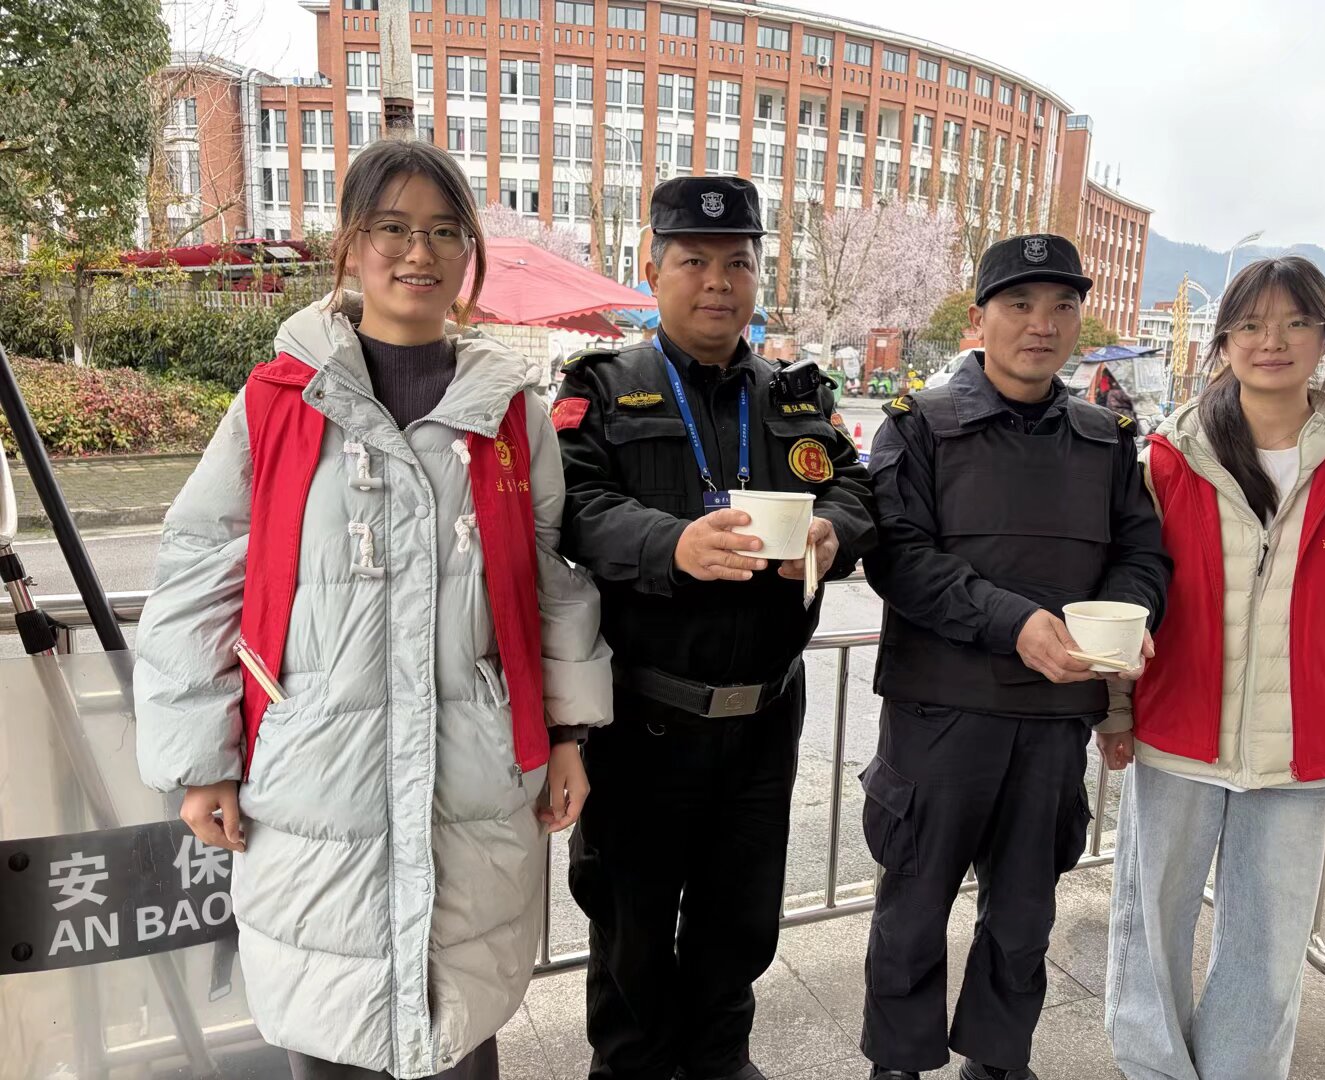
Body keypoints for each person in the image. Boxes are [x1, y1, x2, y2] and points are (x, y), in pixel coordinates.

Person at [133, 138, 612, 1080]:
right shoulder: (277, 403)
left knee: (459, 1026)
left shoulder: (509, 414)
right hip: (317, 780)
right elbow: (196, 576)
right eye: (392, 227)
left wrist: (567, 735)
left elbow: (548, 581)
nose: (418, 252)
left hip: (472, 777)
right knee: (333, 1029)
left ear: (468, 251)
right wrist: (201, 763)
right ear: (351, 245)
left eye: (443, 230)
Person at [551, 176, 876, 1080]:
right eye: (694, 261)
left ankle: (723, 1062)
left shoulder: (796, 396)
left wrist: (831, 532)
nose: (718, 282)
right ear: (653, 267)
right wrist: (672, 544)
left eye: (738, 262)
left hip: (764, 721)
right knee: (632, 936)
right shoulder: (603, 389)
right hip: (643, 722)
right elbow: (574, 507)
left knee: (740, 928)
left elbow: (857, 489)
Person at [1098, 256, 1325, 1080]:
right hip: (1176, 729)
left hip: (1301, 743)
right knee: (1148, 926)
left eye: (1294, 323)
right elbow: (1130, 592)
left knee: (1269, 943)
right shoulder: (1171, 455)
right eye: (1249, 324)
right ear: (1224, 341)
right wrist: (1116, 708)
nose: (1270, 341)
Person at [860, 233, 1171, 1080]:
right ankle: (898, 1065)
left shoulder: (1106, 438)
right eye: (1021, 305)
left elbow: (1143, 553)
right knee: (912, 911)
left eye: (1062, 307)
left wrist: (1129, 614)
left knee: (1025, 917)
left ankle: (999, 1063)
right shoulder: (919, 426)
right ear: (980, 318)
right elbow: (899, 558)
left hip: (1051, 722)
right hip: (940, 714)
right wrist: (1014, 622)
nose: (1043, 324)